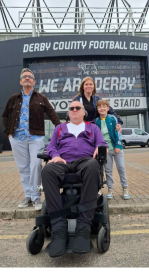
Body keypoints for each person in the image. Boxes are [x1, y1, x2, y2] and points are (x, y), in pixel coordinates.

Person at [42, 101, 108, 257]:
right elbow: (51, 147)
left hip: (85, 163)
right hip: (64, 162)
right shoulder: (59, 129)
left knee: (93, 165)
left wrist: (100, 147)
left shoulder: (93, 128)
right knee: (48, 170)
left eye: (78, 108)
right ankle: (58, 229)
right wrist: (55, 155)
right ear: (69, 113)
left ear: (84, 112)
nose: (74, 110)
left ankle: (83, 227)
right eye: (71, 108)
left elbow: (101, 143)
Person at [2, 68, 60, 210]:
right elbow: (5, 117)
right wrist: (8, 134)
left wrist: (61, 129)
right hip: (17, 138)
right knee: (23, 168)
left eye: (29, 77)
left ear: (34, 81)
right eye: (24, 77)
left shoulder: (41, 98)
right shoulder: (13, 98)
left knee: (35, 165)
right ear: (21, 81)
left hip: (36, 137)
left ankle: (36, 197)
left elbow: (52, 114)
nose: (27, 78)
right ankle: (28, 196)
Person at [95, 99, 130, 200]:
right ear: (97, 109)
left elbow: (118, 133)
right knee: (108, 170)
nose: (102, 108)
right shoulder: (96, 122)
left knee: (121, 168)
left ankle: (125, 188)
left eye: (104, 106)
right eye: (99, 107)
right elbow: (97, 137)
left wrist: (118, 146)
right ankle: (110, 189)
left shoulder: (113, 119)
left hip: (116, 148)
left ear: (108, 108)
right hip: (105, 150)